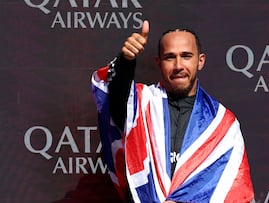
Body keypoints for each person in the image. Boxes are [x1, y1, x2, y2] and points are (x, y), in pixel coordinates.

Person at [91, 20, 254, 203]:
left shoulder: (223, 123)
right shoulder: (142, 103)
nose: (178, 65)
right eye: (170, 57)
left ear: (200, 61)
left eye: (186, 56)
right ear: (159, 63)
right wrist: (126, 61)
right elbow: (115, 98)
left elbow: (236, 193)